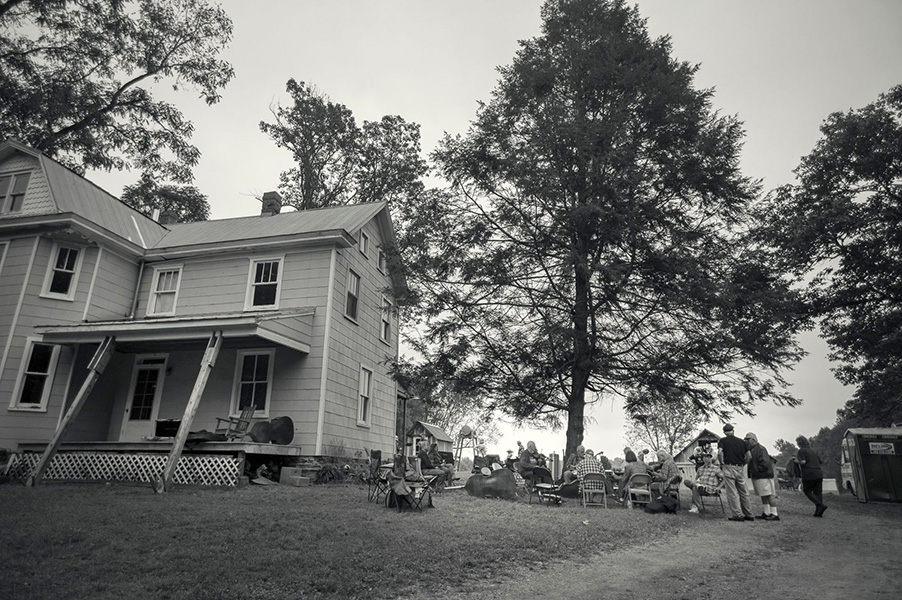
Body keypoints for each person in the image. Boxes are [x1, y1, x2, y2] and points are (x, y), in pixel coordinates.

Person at [717, 424, 754, 522]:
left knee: (732, 492)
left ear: (724, 432)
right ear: (733, 431)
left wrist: (721, 463)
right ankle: (749, 514)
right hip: (740, 467)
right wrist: (743, 463)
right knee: (744, 492)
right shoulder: (742, 442)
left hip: (729, 466)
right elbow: (749, 456)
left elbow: (720, 452)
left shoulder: (722, 441)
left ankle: (737, 514)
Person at [745, 432, 779, 521]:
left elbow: (765, 463)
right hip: (759, 475)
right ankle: (767, 512)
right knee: (763, 494)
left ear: (753, 439)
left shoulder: (760, 449)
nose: (747, 441)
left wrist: (758, 470)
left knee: (769, 494)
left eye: (748, 439)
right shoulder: (754, 449)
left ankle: (774, 513)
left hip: (764, 475)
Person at [796, 435, 827, 517]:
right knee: (818, 492)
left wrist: (796, 461)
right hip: (818, 473)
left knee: (807, 490)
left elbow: (803, 462)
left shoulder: (801, 451)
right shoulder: (813, 451)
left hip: (808, 473)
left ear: (799, 443)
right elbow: (821, 461)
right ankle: (818, 512)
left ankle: (820, 505)